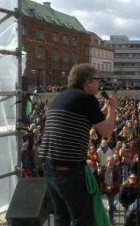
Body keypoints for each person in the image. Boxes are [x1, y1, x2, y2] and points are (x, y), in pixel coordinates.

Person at [39, 63, 116, 225]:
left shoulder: (60, 97)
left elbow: (83, 117)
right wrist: (112, 109)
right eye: (97, 80)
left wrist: (102, 110)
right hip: (68, 169)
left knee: (62, 216)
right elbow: (107, 132)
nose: (99, 84)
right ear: (88, 81)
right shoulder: (87, 99)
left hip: (49, 166)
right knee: (82, 218)